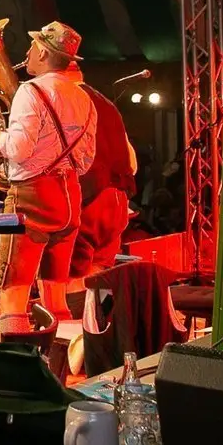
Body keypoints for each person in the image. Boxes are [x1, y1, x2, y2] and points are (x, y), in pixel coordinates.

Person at [0, 21, 97, 335]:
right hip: (69, 197)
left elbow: (17, 149)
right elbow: (86, 161)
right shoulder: (84, 97)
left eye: (32, 46)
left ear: (42, 52)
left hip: (31, 198)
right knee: (56, 294)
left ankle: (12, 357)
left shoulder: (30, 90)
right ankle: (60, 357)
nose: (26, 53)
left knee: (13, 290)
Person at [63, 61, 137, 288]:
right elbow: (132, 164)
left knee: (73, 284)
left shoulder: (66, 102)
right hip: (117, 206)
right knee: (95, 284)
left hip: (87, 203)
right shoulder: (108, 105)